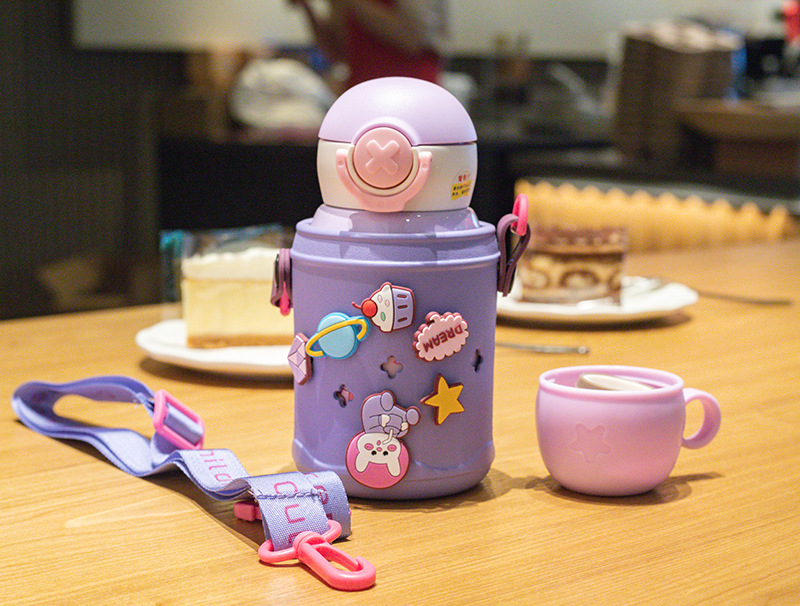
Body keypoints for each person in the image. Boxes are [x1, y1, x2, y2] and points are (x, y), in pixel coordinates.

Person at [288, 0, 446, 90]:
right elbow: (338, 54)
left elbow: (414, 39)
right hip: (364, 94)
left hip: (412, 92)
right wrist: (307, 8)